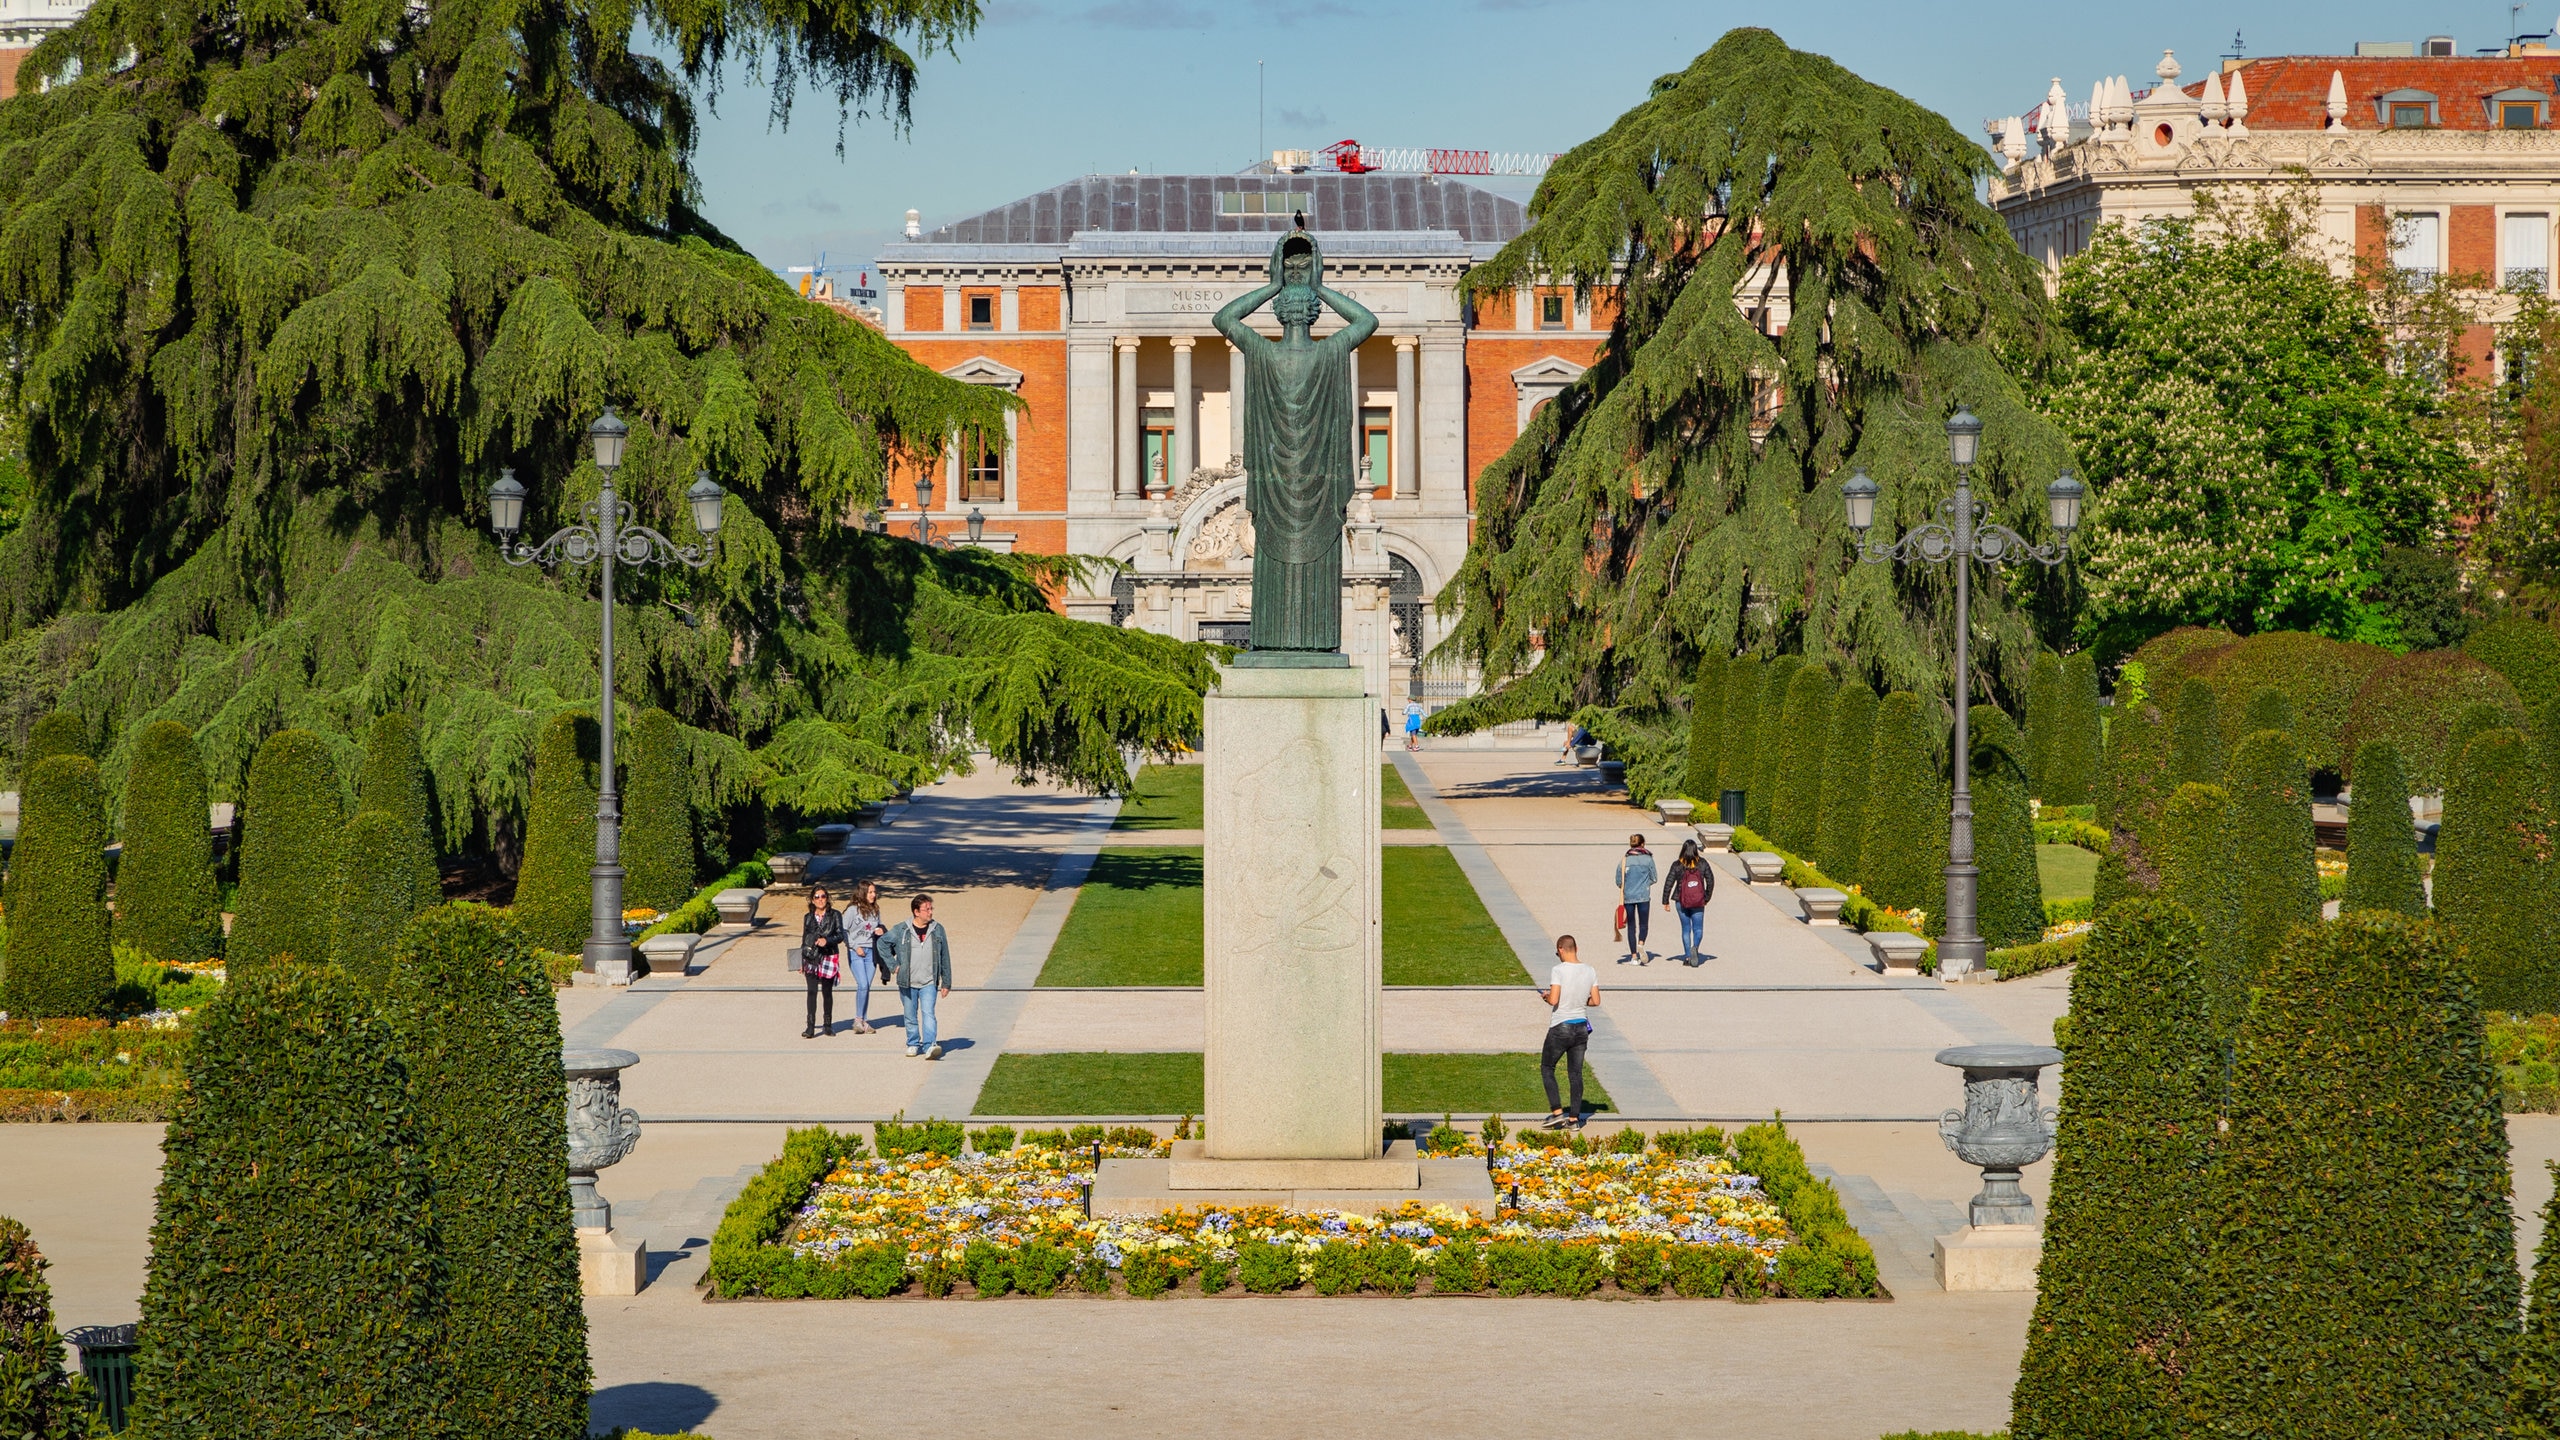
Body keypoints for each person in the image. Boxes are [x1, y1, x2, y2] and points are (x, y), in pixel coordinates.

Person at [878, 893, 954, 1060]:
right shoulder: (901, 929)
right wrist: (893, 965)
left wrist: (946, 982)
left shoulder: (938, 930)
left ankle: (929, 1045)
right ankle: (913, 1043)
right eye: (926, 909)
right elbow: (881, 943)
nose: (930, 912)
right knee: (910, 1014)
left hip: (929, 982)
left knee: (928, 1013)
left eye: (931, 909)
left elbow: (945, 956)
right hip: (908, 981)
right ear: (916, 912)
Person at [1539, 934, 1599, 1130]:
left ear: (1561, 949)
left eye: (1558, 953)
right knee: (1575, 1073)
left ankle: (1557, 1112)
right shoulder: (1590, 970)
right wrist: (1580, 1001)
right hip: (1581, 1026)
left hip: (1561, 1026)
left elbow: (1554, 1000)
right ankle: (1574, 1119)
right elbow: (1596, 1001)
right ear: (1576, 948)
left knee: (1547, 1067)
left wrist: (1546, 997)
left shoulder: (1558, 970)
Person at [797, 887, 848, 1039]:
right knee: (811, 992)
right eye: (817, 897)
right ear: (812, 900)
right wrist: (800, 960)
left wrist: (827, 941)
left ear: (827, 898)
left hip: (828, 955)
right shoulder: (808, 917)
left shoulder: (835, 915)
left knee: (827, 992)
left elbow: (840, 936)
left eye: (823, 896)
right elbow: (804, 938)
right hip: (811, 957)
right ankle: (810, 1026)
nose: (820, 899)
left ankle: (827, 1025)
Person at [1662, 839, 1716, 965]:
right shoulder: (1702, 863)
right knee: (1698, 929)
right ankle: (1695, 947)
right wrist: (1706, 897)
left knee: (1686, 929)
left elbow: (1668, 883)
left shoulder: (1677, 864)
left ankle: (1687, 957)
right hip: (1698, 901)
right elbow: (1711, 881)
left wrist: (1665, 900)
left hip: (1681, 901)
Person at [845, 881, 888, 1034]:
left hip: (871, 951)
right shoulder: (852, 910)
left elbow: (881, 925)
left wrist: (881, 930)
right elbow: (844, 931)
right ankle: (857, 1020)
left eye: (874, 892)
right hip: (856, 952)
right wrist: (855, 947)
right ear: (862, 893)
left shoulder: (875, 910)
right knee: (862, 984)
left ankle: (863, 1020)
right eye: (870, 892)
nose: (873, 895)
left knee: (867, 986)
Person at [1614, 833, 1658, 964]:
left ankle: (1633, 956)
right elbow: (1654, 878)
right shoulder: (1648, 859)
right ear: (1643, 844)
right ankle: (1641, 943)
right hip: (1643, 896)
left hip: (1629, 896)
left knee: (1631, 926)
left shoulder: (1625, 860)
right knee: (1643, 924)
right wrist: (1645, 884)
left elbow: (1618, 880)